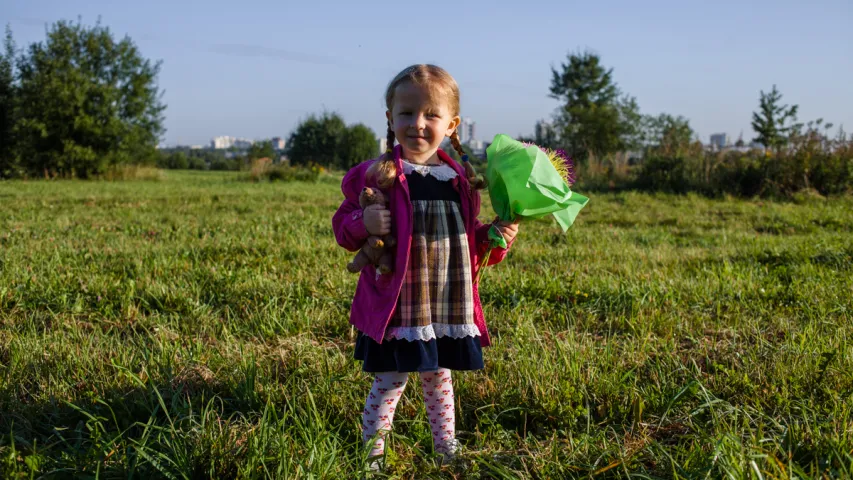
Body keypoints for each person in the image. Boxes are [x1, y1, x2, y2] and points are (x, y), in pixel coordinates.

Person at [332, 64, 518, 468]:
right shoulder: (378, 174)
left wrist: (495, 237)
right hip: (401, 302)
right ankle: (372, 455)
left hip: (445, 301)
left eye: (431, 114)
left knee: (441, 377)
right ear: (389, 118)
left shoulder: (459, 180)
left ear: (452, 125)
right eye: (406, 113)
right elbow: (342, 226)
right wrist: (361, 223)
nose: (418, 123)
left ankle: (446, 448)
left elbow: (468, 241)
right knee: (391, 380)